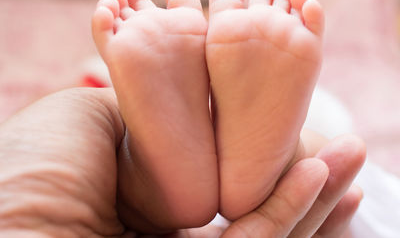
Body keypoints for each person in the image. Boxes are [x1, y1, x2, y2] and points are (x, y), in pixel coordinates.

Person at [91, 0, 366, 234]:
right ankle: (277, 169)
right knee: (319, 158)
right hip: (302, 207)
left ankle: (154, 183)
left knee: (115, 160)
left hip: (151, 209)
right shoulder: (297, 78)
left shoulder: (108, 75)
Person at [0, 87, 365, 237]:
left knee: (130, 169)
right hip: (300, 199)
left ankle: (153, 187)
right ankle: (278, 161)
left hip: (124, 187)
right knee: (320, 145)